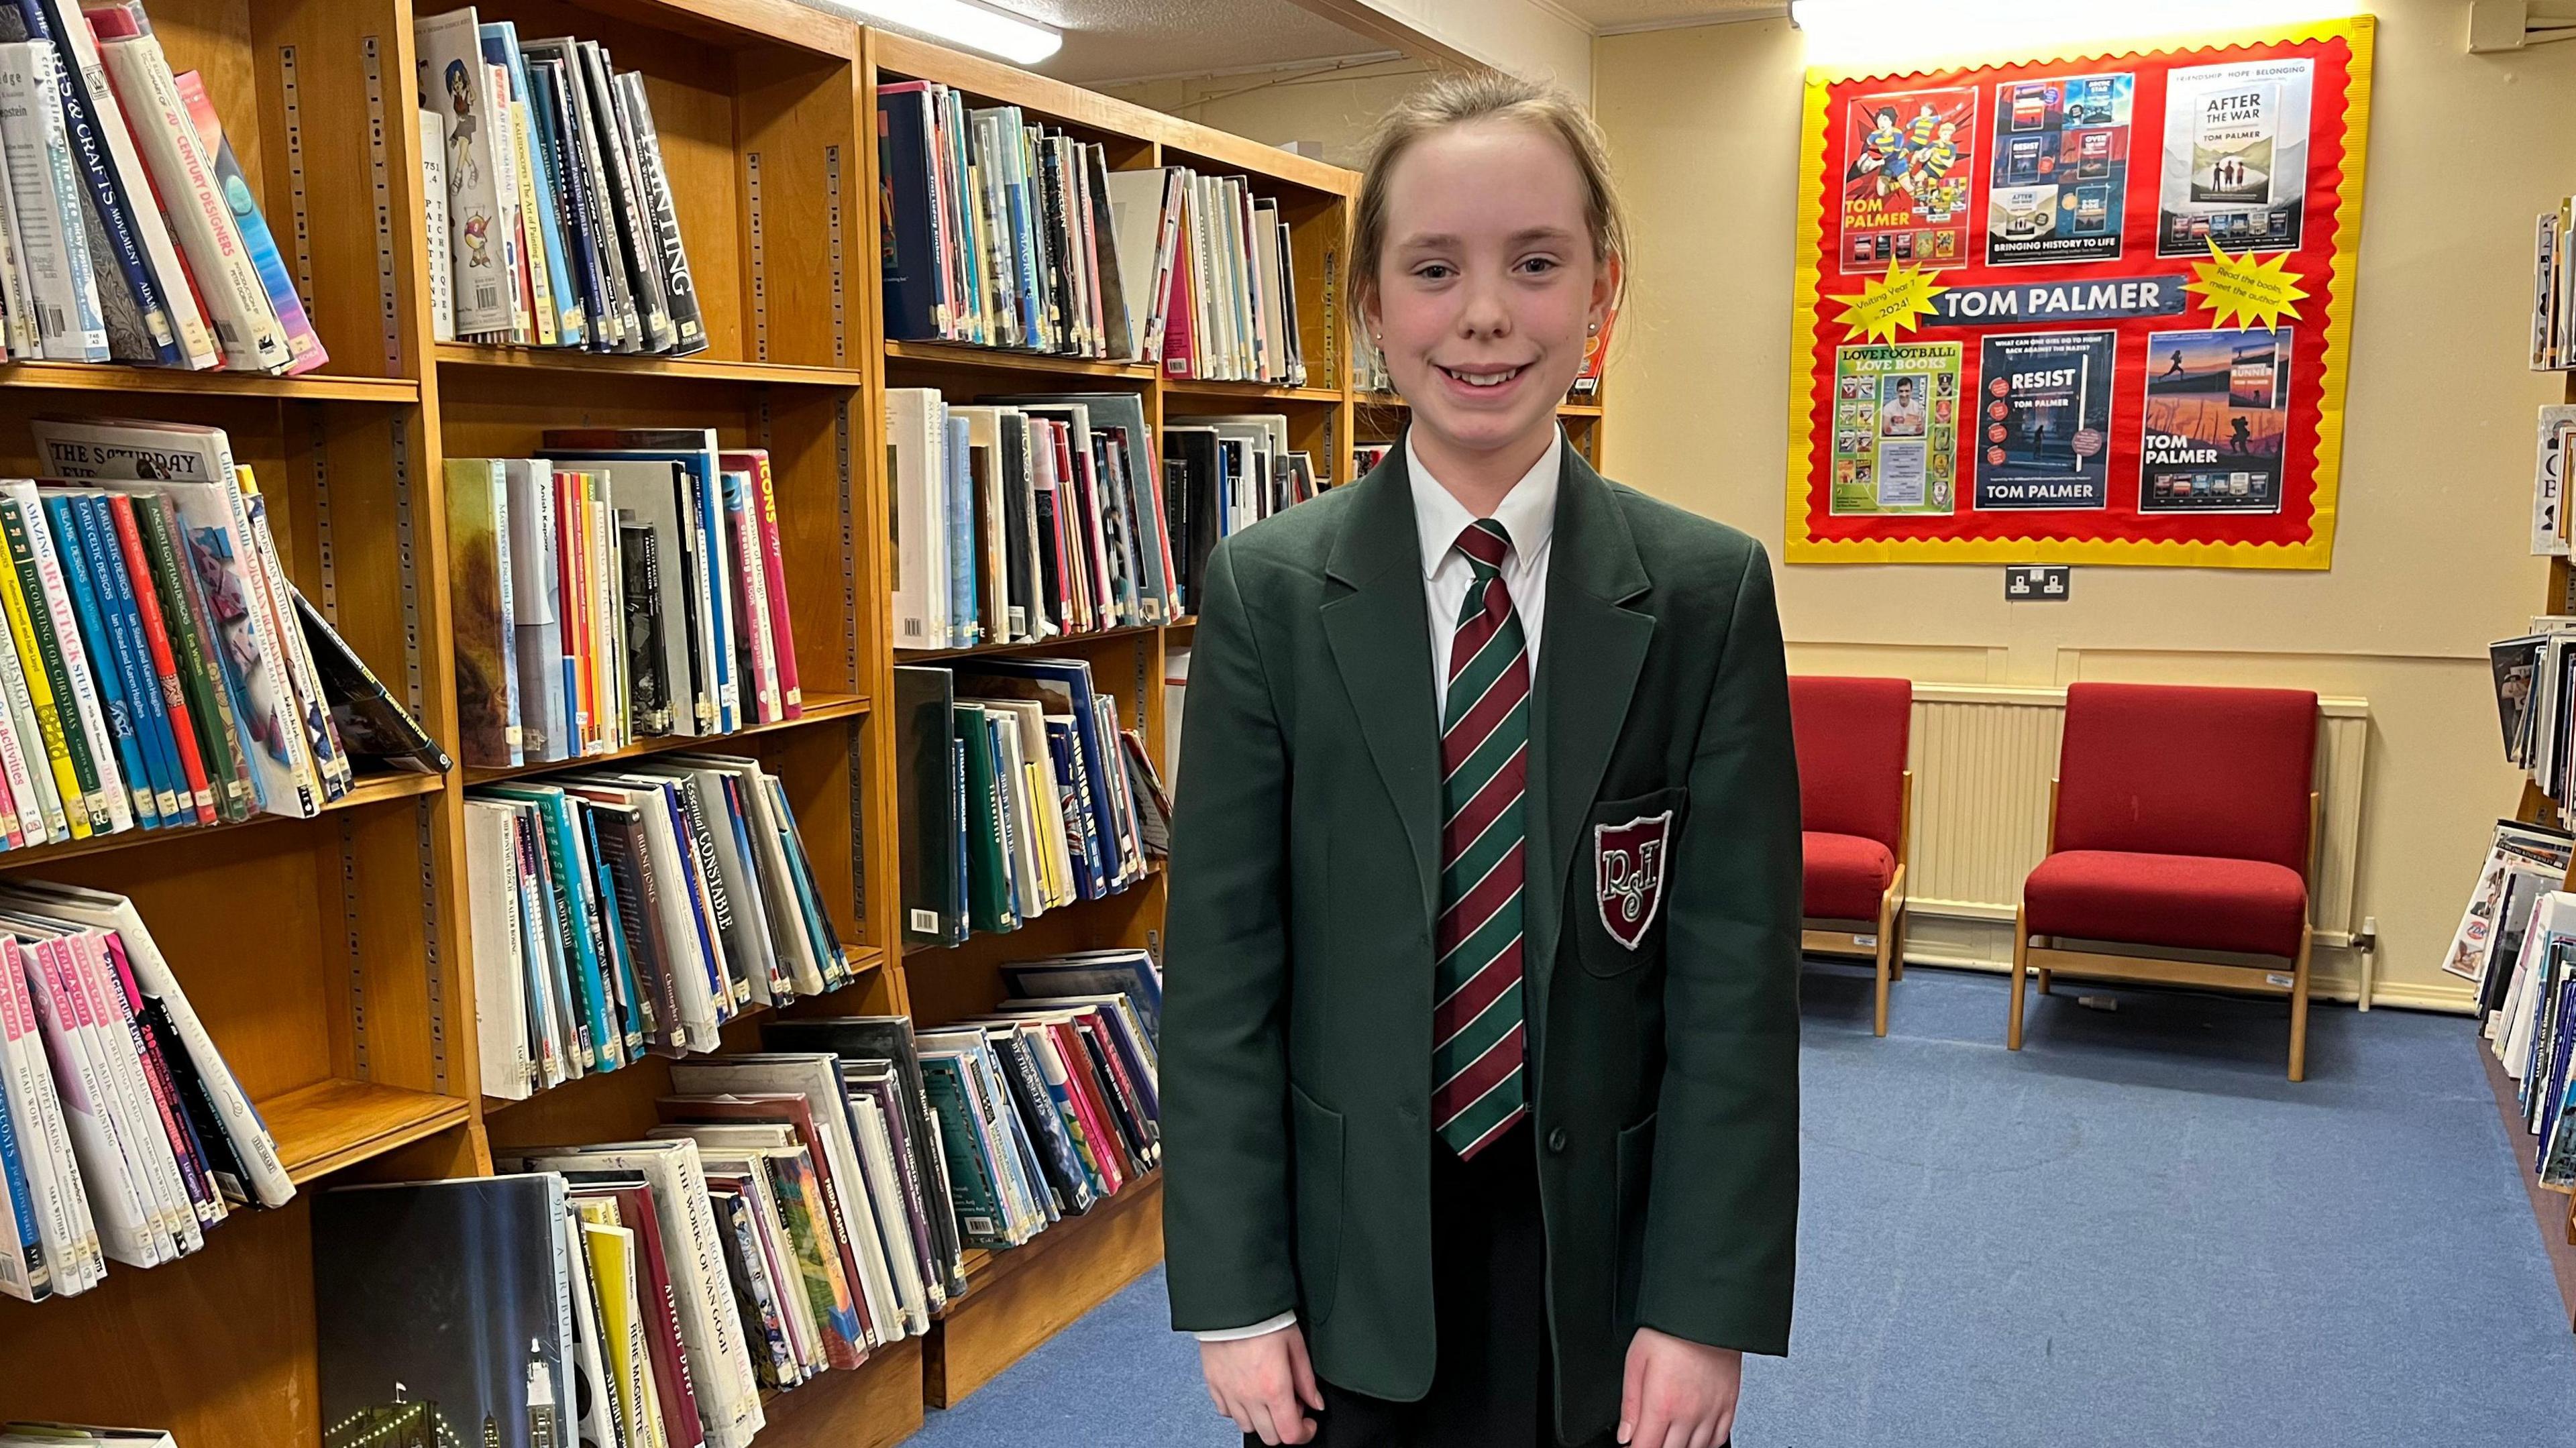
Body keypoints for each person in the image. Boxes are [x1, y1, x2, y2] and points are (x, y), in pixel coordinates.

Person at [1161, 70, 1801, 1448]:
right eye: (1435, 268)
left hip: (1607, 1263)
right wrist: (1233, 1293)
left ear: (1602, 297)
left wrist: (1704, 1308)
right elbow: (1222, 975)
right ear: (1372, 308)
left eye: (1537, 263)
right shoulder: (1268, 592)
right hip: (1348, 1260)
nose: (1487, 314)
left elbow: (1735, 990)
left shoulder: (1705, 595)